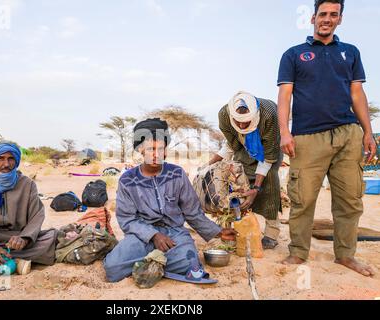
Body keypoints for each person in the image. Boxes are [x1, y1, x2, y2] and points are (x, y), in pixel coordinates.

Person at [277, 0, 376, 276]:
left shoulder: (351, 52)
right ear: (313, 18)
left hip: (347, 134)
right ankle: (298, 253)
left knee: (349, 200)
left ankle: (345, 255)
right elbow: (285, 95)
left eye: (334, 14)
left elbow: (357, 93)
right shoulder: (293, 55)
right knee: (303, 199)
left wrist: (367, 131)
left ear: (340, 19)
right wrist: (285, 132)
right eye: (323, 14)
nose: (327, 19)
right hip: (307, 137)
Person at [104, 118, 236, 282]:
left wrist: (217, 231)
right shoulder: (127, 180)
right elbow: (127, 219)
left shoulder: (177, 174)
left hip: (174, 234)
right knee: (112, 268)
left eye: (161, 149)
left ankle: (151, 264)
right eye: (151, 149)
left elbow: (192, 212)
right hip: (141, 236)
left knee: (191, 263)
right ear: (140, 150)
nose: (156, 154)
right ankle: (156, 262)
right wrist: (153, 235)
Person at [218, 91, 283, 249]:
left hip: (269, 149)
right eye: (238, 122)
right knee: (238, 186)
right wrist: (210, 165)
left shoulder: (269, 115)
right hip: (244, 149)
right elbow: (232, 146)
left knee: (270, 184)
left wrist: (257, 187)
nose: (241, 126)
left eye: (246, 122)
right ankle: (232, 230)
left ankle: (271, 235)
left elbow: (269, 157)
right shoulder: (224, 115)